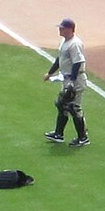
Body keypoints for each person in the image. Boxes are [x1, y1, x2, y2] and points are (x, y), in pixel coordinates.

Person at [43, 18, 90, 147]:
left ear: (69, 29)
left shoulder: (75, 44)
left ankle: (83, 138)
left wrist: (72, 82)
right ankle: (58, 134)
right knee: (62, 105)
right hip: (67, 79)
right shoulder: (65, 42)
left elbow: (78, 62)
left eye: (62, 28)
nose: (60, 29)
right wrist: (50, 73)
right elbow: (60, 59)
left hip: (76, 80)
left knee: (74, 108)